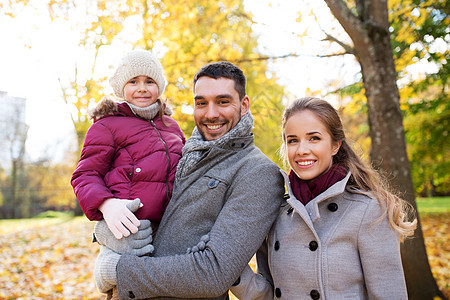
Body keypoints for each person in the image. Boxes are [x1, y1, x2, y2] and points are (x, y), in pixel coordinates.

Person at [93, 61, 285, 299]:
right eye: (201, 103)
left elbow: (213, 273)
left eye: (223, 101)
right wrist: (105, 222)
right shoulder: (182, 152)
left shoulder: (258, 172)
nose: (211, 113)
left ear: (244, 105)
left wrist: (118, 269)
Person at [230, 97, 417, 300]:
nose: (302, 150)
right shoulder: (277, 211)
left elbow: (389, 294)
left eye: (314, 138)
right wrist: (229, 269)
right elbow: (269, 295)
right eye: (293, 140)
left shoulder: (368, 210)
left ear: (335, 145)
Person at [71, 49, 185, 297]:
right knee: (129, 285)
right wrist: (106, 204)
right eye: (133, 81)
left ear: (160, 86)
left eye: (149, 81)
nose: (142, 88)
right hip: (127, 226)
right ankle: (107, 268)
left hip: (168, 228)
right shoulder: (107, 125)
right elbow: (85, 175)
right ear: (122, 87)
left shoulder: (171, 126)